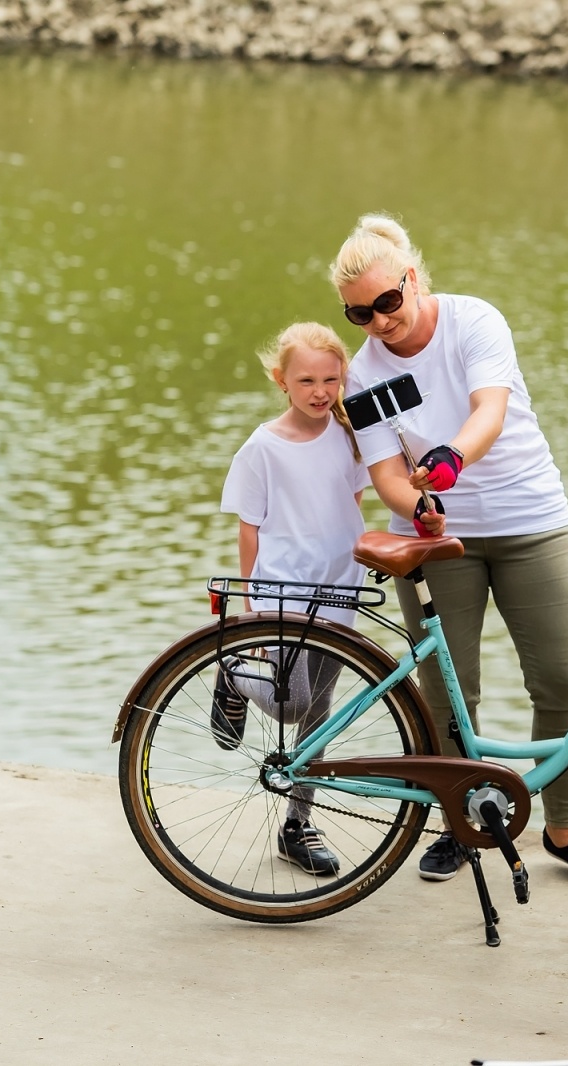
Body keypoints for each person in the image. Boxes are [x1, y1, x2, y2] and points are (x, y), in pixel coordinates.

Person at [329, 213, 568, 888]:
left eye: (388, 302)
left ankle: (564, 828)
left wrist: (452, 458)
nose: (378, 322)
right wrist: (417, 506)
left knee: (562, 683)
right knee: (449, 693)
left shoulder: (475, 322)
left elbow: (489, 409)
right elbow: (385, 474)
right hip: (437, 541)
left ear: (413, 278)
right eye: (358, 314)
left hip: (530, 520)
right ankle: (460, 825)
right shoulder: (365, 375)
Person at [216, 321, 374, 878]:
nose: (320, 391)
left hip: (338, 586)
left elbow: (351, 500)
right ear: (281, 380)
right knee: (292, 703)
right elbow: (249, 527)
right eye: (306, 379)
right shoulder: (263, 447)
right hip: (281, 589)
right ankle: (236, 675)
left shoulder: (350, 434)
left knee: (320, 717)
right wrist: (253, 604)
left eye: (331, 379)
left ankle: (297, 824)